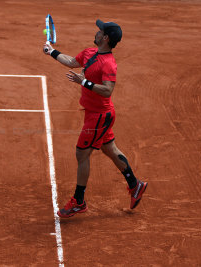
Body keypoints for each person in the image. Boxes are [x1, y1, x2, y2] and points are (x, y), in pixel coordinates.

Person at [43, 19, 148, 218]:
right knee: (110, 149)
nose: (97, 32)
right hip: (94, 113)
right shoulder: (90, 52)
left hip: (100, 116)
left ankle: (79, 201)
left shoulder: (108, 64)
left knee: (82, 154)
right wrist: (51, 52)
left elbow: (108, 91)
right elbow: (72, 62)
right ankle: (135, 186)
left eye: (100, 31)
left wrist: (84, 82)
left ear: (105, 38)